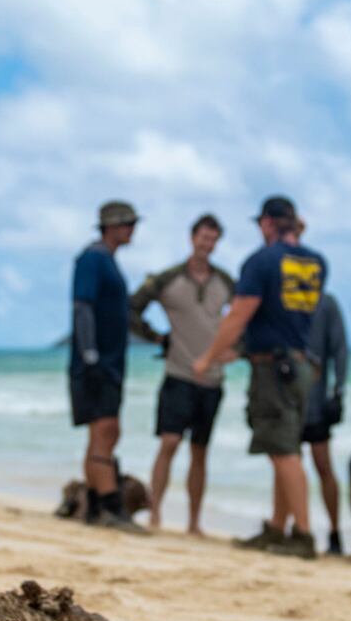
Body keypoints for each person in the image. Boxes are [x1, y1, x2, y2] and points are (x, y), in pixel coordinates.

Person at [193, 195, 328, 559]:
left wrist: (209, 356)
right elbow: (285, 316)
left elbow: (240, 313)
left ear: (268, 223)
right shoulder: (316, 262)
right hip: (300, 365)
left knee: (284, 453)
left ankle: (302, 536)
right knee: (286, 450)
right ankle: (276, 528)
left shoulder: (261, 261)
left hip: (275, 369)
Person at [128, 214, 235, 534]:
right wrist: (156, 337)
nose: (208, 244)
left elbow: (247, 315)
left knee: (200, 452)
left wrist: (237, 349)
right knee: (169, 443)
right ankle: (155, 514)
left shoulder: (225, 282)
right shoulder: (168, 278)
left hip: (213, 379)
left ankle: (194, 522)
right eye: (204, 237)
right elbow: (131, 308)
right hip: (178, 374)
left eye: (214, 239)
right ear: (192, 238)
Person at [69, 201, 142, 531]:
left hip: (111, 361)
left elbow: (121, 314)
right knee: (106, 430)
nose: (132, 229)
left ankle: (95, 506)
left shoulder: (108, 261)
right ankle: (111, 507)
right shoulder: (92, 259)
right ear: (111, 226)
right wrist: (89, 355)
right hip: (97, 363)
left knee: (103, 433)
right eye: (127, 223)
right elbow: (82, 307)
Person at [300, 281, 350, 555]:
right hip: (286, 402)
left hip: (316, 404)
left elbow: (341, 349)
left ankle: (334, 532)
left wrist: (339, 391)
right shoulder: (280, 298)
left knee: (323, 466)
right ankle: (292, 528)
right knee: (288, 465)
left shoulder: (325, 303)